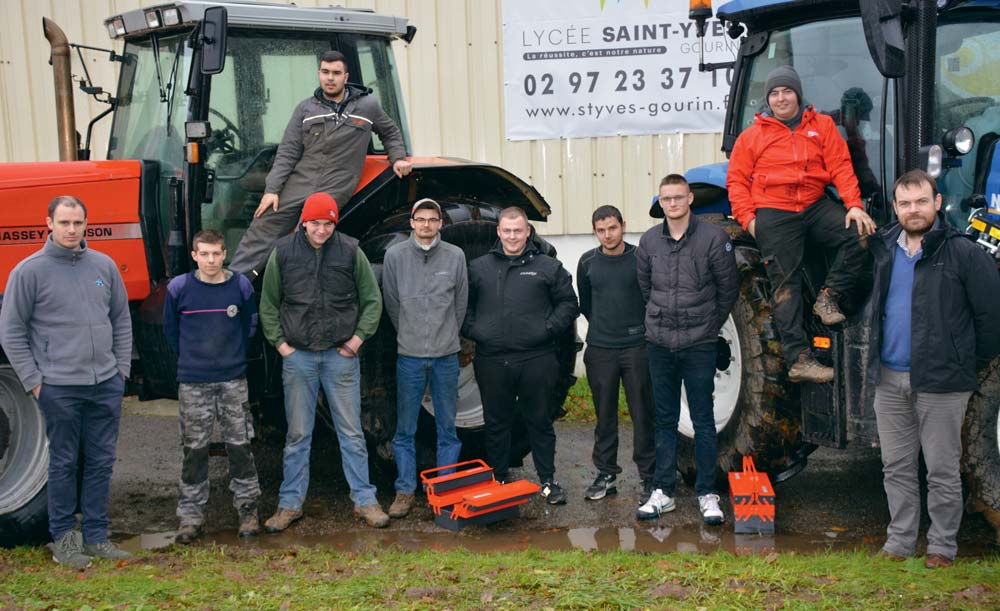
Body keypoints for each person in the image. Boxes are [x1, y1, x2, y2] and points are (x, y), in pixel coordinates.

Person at [868, 170, 1000, 568]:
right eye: (905, 203)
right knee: (896, 466)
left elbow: (991, 319)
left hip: (943, 381)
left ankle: (942, 546)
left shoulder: (963, 253)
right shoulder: (882, 248)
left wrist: (966, 364)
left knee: (942, 470)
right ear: (895, 207)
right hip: (889, 379)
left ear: (938, 203)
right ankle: (900, 542)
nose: (913, 210)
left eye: (921, 201)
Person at [0, 196, 132, 567]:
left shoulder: (103, 266)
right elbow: (11, 332)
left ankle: (96, 537)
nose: (71, 229)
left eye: (78, 223)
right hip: (58, 387)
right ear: (49, 224)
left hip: (104, 383)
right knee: (63, 462)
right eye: (64, 223)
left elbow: (121, 320)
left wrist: (120, 370)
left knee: (101, 462)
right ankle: (63, 539)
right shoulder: (29, 272)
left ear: (86, 224)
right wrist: (34, 382)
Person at [727, 64, 877, 383]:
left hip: (813, 204)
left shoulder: (821, 126)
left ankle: (828, 295)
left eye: (787, 91)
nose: (781, 98)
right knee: (785, 287)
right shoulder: (752, 137)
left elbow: (841, 167)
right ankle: (799, 359)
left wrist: (854, 205)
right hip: (775, 211)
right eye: (775, 93)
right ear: (769, 99)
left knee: (861, 234)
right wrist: (750, 221)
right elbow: (736, 181)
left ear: (797, 94)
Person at [258, 192, 389, 530]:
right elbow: (269, 303)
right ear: (304, 222)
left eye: (328, 223)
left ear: (335, 223)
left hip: (340, 356)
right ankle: (289, 505)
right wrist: (282, 345)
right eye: (315, 223)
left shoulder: (350, 250)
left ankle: (365, 501)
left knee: (351, 432)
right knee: (298, 434)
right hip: (298, 357)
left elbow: (372, 299)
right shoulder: (283, 252)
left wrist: (358, 339)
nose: (321, 230)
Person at [229, 50, 412, 278]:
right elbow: (287, 152)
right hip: (303, 178)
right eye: (325, 72)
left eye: (336, 73)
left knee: (315, 229)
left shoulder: (367, 107)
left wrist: (399, 158)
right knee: (264, 223)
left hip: (338, 182)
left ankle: (302, 286)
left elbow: (391, 133)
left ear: (346, 77)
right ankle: (235, 286)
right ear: (319, 74)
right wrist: (272, 190)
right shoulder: (306, 109)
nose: (330, 78)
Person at [635, 175, 739, 524]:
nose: (673, 203)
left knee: (703, 420)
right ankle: (663, 491)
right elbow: (646, 289)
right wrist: (661, 321)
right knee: (664, 419)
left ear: (690, 199)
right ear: (660, 203)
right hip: (660, 344)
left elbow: (728, 290)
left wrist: (708, 327)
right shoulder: (649, 241)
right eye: (667, 198)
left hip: (699, 344)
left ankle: (707, 493)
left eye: (679, 197)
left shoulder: (713, 238)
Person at [463, 207, 578, 504]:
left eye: (518, 230)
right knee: (496, 422)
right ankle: (498, 478)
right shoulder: (478, 268)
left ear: (528, 232)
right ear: (498, 232)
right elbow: (462, 307)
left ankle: (548, 481)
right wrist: (477, 331)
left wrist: (547, 328)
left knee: (539, 420)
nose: (512, 236)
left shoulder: (547, 267)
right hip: (492, 360)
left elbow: (568, 303)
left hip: (536, 359)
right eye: (507, 230)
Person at [162, 229, 261, 544]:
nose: (210, 260)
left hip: (233, 380)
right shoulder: (179, 288)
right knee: (194, 450)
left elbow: (250, 326)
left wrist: (230, 357)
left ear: (224, 254)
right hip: (194, 382)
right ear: (194, 256)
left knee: (240, 446)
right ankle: (190, 517)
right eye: (204, 254)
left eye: (216, 253)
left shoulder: (240, 286)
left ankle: (247, 510)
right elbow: (170, 332)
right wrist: (195, 360)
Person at [381, 198, 468, 519]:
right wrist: (411, 336)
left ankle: (444, 492)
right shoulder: (395, 256)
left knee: (448, 429)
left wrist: (447, 337)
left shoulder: (455, 256)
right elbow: (392, 302)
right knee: (405, 429)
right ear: (412, 222)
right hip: (410, 358)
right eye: (421, 219)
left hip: (446, 357)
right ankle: (405, 490)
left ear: (441, 223)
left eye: (433, 219)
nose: (427, 225)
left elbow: (460, 304)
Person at [576, 205, 655, 502]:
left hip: (637, 349)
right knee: (604, 416)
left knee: (643, 414)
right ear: (595, 231)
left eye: (612, 228)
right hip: (600, 349)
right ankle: (606, 473)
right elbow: (586, 304)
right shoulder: (587, 262)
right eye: (601, 230)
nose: (608, 235)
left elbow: (651, 297)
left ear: (623, 225)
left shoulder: (640, 259)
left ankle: (649, 476)